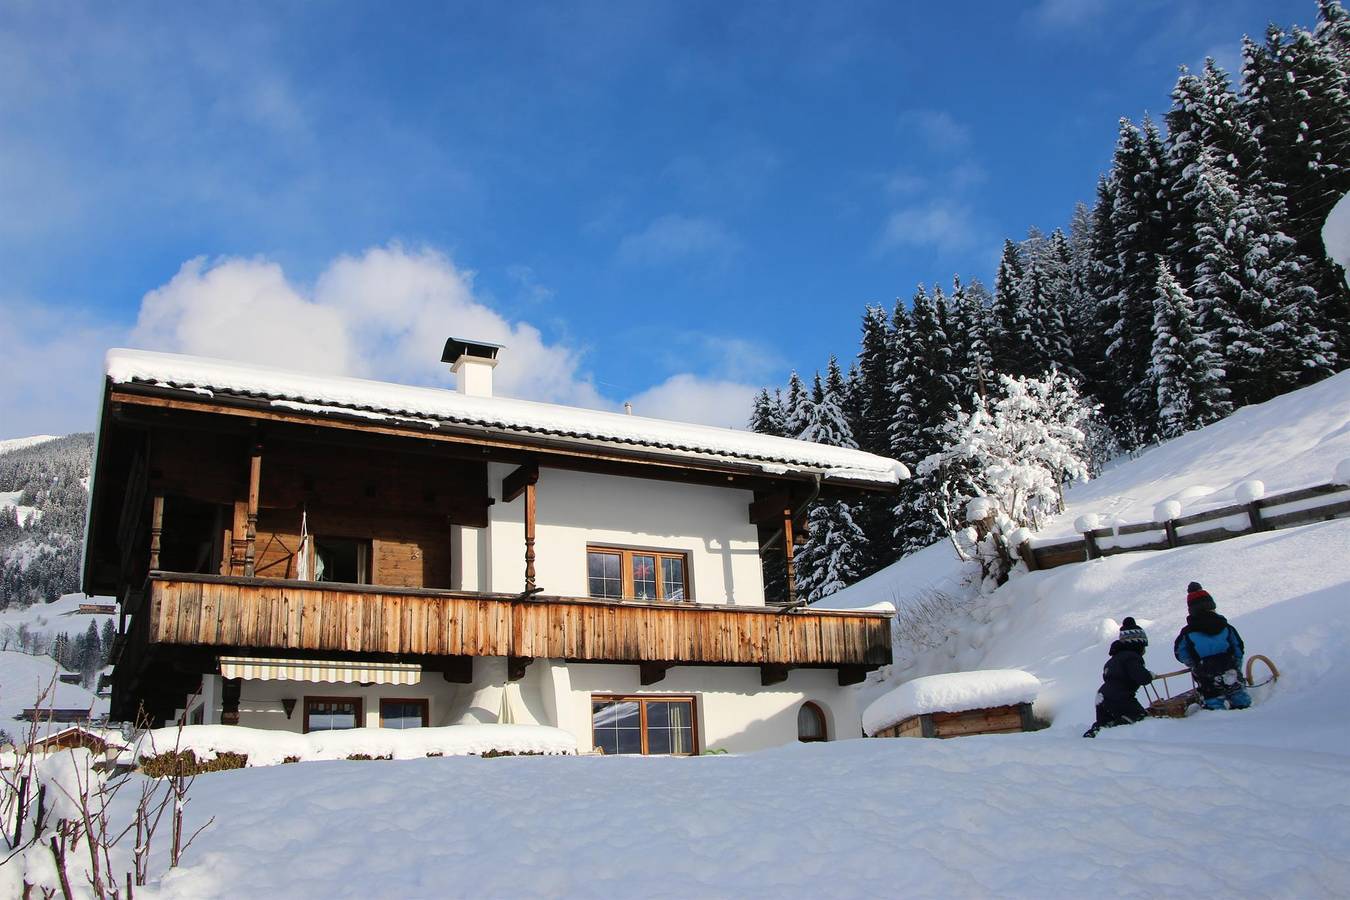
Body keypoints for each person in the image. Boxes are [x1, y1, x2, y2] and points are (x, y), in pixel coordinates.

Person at [1174, 582, 1251, 710]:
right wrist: (1236, 662)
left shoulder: (1187, 633)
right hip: (1229, 666)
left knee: (1212, 697)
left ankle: (1216, 717)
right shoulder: (1226, 627)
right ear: (1212, 606)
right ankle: (1245, 710)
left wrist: (1194, 664)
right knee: (1237, 693)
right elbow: (1238, 646)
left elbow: (1180, 652)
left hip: (1205, 671)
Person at [1083, 617, 1153, 738]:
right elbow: (1142, 677)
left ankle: (1096, 731)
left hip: (1102, 696)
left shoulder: (1114, 659)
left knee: (1105, 722)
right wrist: (1149, 675)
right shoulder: (1131, 658)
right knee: (1139, 717)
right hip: (1120, 697)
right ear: (1137, 645)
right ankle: (1119, 729)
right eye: (1143, 647)